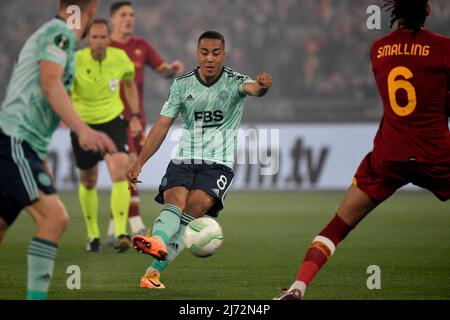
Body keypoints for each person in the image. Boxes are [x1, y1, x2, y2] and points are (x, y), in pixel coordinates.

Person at [275, 0, 450, 300]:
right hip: (436, 154)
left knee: (337, 226)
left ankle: (297, 288)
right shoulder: (444, 48)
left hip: (388, 156)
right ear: (428, 11)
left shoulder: (378, 49)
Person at [126, 30, 273, 289]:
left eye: (216, 53)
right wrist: (140, 161)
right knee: (174, 202)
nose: (210, 58)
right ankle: (156, 246)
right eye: (205, 52)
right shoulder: (182, 85)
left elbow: (253, 89)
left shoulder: (234, 81)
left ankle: (152, 272)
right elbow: (161, 126)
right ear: (197, 54)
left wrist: (261, 86)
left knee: (192, 211)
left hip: (218, 164)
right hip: (184, 158)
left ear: (223, 55)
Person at [0, 0, 117, 300]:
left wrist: (39, 154)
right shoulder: (60, 34)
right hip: (14, 140)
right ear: (91, 9)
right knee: (54, 219)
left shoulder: (57, 37)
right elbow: (50, 84)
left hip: (20, 143)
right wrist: (83, 130)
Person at [106, 1, 185, 241]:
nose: (129, 18)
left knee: (128, 167)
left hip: (136, 119)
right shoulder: (103, 47)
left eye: (131, 14)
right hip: (107, 118)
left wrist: (172, 69)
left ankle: (121, 226)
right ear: (113, 19)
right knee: (120, 171)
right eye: (123, 15)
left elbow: (162, 69)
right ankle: (128, 223)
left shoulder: (141, 46)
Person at [70, 18, 143, 253]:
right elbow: (64, 92)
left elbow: (130, 85)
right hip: (84, 125)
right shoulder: (75, 61)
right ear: (87, 39)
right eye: (94, 37)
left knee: (120, 170)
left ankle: (121, 233)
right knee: (88, 180)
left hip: (113, 121)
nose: (99, 42)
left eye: (103, 37)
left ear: (109, 38)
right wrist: (75, 126)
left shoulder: (120, 59)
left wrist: (134, 115)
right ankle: (93, 236)